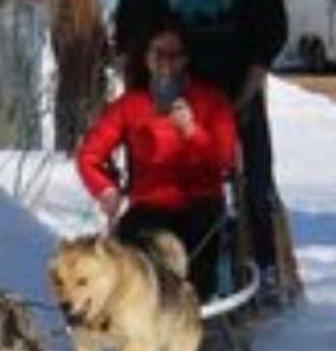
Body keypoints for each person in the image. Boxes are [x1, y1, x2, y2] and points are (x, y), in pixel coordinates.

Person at [112, 0, 289, 299]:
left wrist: (253, 81)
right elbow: (130, 27)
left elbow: (271, 28)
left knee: (254, 183)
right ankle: (161, 271)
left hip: (235, 90)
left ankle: (265, 268)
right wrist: (139, 82)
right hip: (173, 94)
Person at [75, 25, 238, 299]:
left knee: (195, 252)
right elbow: (89, 155)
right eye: (159, 54)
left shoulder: (212, 102)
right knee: (132, 258)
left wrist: (192, 131)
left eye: (174, 55)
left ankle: (193, 306)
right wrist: (105, 189)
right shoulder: (130, 105)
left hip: (199, 203)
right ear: (147, 58)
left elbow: (225, 160)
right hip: (149, 206)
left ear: (185, 59)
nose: (166, 63)